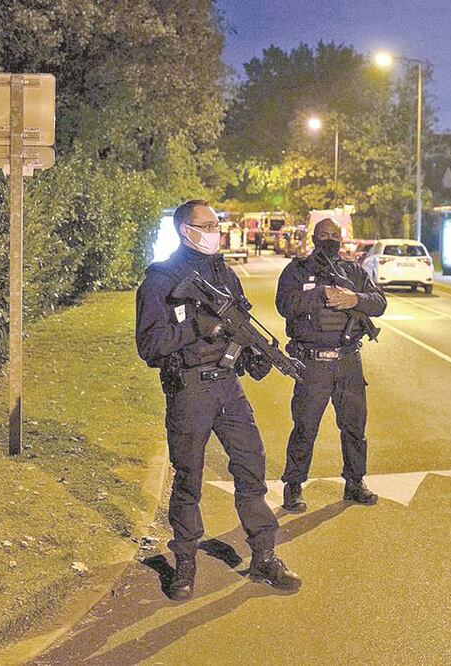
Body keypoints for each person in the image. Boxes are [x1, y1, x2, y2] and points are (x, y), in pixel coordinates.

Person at [136, 200, 301, 600]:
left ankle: (263, 554)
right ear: (184, 229)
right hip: (188, 389)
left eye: (216, 224)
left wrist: (255, 356)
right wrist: (198, 325)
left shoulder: (225, 275)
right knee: (188, 477)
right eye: (206, 224)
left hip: (228, 387)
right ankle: (185, 561)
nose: (215, 230)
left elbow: (239, 329)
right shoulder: (160, 280)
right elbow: (150, 345)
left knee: (251, 467)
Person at [276, 218, 387, 512]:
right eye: (323, 235)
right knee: (305, 427)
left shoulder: (352, 271)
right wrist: (320, 295)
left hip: (349, 361)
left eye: (334, 235)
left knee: (354, 426)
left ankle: (355, 482)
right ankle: (294, 485)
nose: (329, 239)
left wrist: (354, 299)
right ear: (313, 237)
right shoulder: (297, 270)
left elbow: (379, 303)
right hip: (313, 364)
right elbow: (284, 305)